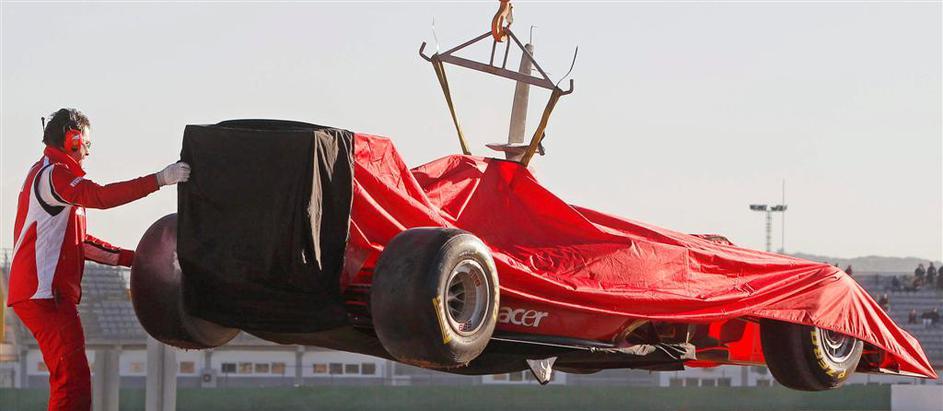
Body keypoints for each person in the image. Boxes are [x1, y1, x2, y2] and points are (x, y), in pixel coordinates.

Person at [6, 108, 190, 411]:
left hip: (43, 294)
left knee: (72, 380)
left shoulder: (50, 175)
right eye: (87, 144)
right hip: (45, 295)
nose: (88, 152)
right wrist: (160, 179)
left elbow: (81, 244)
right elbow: (102, 197)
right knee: (72, 383)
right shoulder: (54, 175)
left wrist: (138, 260)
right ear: (73, 140)